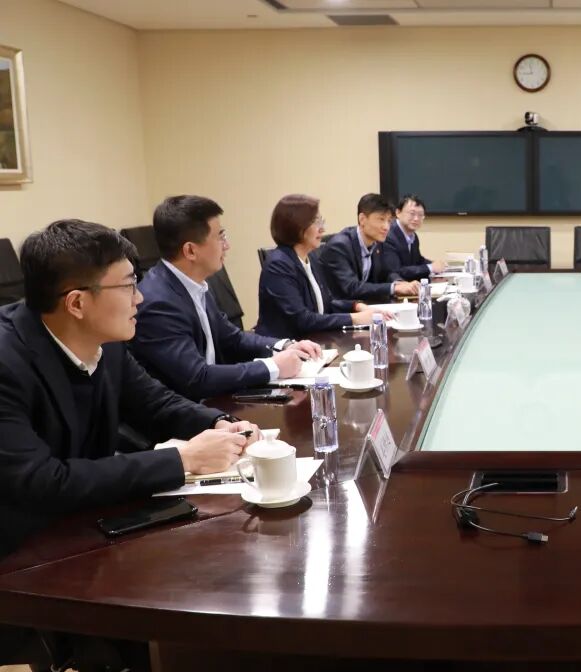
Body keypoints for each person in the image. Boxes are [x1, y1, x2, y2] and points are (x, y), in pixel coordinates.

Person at [0, 219, 261, 554]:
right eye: (128, 286)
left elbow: (154, 403)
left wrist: (218, 423)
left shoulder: (105, 340)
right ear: (77, 303)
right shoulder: (7, 362)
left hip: (87, 523)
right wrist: (183, 458)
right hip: (22, 549)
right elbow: (42, 481)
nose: (140, 297)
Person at [130, 195, 323, 400]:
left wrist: (284, 346)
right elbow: (197, 378)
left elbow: (233, 338)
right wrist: (272, 367)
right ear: (191, 250)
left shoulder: (195, 283)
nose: (227, 245)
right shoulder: (158, 303)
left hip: (216, 402)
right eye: (220, 237)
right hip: (190, 411)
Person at [255, 194, 387, 338]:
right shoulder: (279, 265)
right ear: (295, 225)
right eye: (315, 222)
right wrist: (355, 318)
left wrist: (356, 306)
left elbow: (327, 303)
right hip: (285, 345)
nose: (322, 229)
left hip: (312, 341)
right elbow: (303, 319)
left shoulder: (311, 257)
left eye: (321, 221)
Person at [320, 193, 420, 303]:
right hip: (342, 308)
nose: (386, 227)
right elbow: (352, 287)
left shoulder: (378, 242)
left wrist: (400, 283)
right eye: (381, 219)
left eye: (389, 221)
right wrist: (394, 288)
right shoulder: (339, 246)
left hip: (366, 305)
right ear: (362, 219)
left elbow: (386, 273)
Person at [383, 194, 446, 281]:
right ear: (398, 213)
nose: (416, 219)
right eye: (412, 214)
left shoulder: (413, 236)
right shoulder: (388, 236)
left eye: (420, 215)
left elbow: (418, 261)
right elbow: (397, 271)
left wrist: (434, 264)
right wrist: (430, 267)